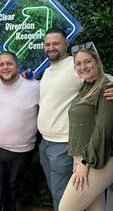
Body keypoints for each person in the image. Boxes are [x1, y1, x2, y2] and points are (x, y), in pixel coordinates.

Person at [37, 28, 113, 211]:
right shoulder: (48, 71)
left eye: (56, 43)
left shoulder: (75, 64)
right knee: (92, 204)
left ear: (66, 44)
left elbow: (103, 79)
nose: (51, 47)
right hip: (46, 144)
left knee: (65, 201)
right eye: (47, 44)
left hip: (66, 146)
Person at [59, 42, 113, 211]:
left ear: (97, 61)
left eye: (88, 61)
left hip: (98, 159)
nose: (83, 67)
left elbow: (103, 129)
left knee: (66, 208)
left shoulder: (107, 87)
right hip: (82, 158)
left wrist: (84, 162)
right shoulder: (85, 87)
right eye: (78, 63)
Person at [0, 51, 39, 211]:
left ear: (17, 66)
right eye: (1, 64)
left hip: (21, 150)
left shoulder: (34, 86)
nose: (5, 67)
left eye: (9, 63)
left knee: (12, 189)